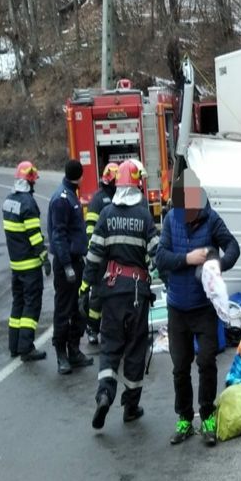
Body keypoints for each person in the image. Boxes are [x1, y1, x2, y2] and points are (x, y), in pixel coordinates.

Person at [155, 169, 239, 446]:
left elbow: (232, 246)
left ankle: (207, 415)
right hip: (177, 308)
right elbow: (161, 257)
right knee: (180, 366)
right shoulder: (170, 220)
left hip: (203, 308)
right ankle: (184, 419)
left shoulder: (211, 219)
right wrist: (188, 259)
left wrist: (217, 265)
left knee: (206, 362)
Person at [82, 159, 160, 430]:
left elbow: (93, 256)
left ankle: (105, 393)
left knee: (110, 346)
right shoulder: (144, 216)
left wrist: (85, 287)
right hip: (137, 294)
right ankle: (130, 406)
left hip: (111, 290)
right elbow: (155, 255)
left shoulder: (106, 215)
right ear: (137, 185)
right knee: (136, 349)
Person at [48, 159, 94, 374]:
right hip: (66, 264)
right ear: (80, 175)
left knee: (79, 308)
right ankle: (61, 355)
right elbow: (59, 234)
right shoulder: (62, 199)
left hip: (76, 261)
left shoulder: (71, 194)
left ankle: (74, 350)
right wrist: (66, 265)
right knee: (64, 309)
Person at [3, 160, 51, 361]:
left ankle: (14, 345)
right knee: (32, 305)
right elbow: (34, 236)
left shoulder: (9, 201)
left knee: (18, 305)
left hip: (16, 265)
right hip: (30, 265)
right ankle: (26, 347)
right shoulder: (28, 204)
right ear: (30, 182)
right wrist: (44, 258)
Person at [83, 162, 119, 345]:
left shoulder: (119, 197)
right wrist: (95, 252)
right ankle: (92, 328)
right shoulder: (98, 200)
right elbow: (90, 229)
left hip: (116, 255)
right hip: (101, 256)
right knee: (97, 294)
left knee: (116, 292)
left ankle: (112, 328)